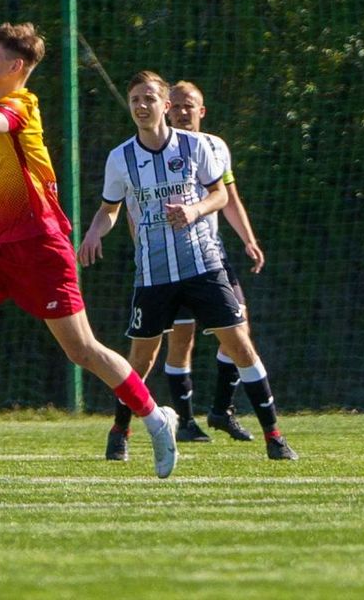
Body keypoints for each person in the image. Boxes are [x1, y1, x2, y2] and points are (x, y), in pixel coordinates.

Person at [0, 22, 179, 479]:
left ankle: (155, 418)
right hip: (1, 248)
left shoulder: (20, 105)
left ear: (15, 66)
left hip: (42, 247)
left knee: (82, 350)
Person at [78, 71, 297, 462]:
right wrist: (96, 232)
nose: (141, 106)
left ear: (165, 105)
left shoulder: (196, 146)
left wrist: (193, 209)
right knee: (141, 360)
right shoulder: (120, 157)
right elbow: (108, 210)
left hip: (204, 267)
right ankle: (119, 432)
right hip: (153, 274)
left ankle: (275, 437)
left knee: (240, 345)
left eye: (149, 99)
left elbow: (218, 195)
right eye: (134, 100)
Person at [164, 80, 264, 443]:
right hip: (171, 259)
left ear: (201, 111)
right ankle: (186, 422)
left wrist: (248, 240)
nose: (182, 111)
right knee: (182, 339)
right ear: (165, 109)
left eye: (188, 105)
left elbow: (229, 197)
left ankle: (222, 410)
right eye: (175, 105)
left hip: (212, 254)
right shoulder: (156, 148)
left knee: (240, 328)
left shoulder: (215, 147)